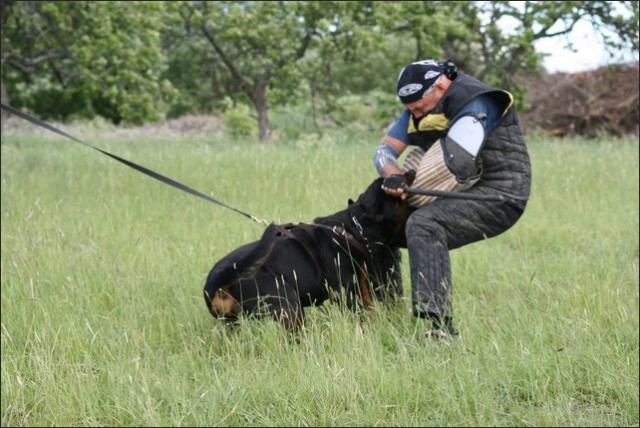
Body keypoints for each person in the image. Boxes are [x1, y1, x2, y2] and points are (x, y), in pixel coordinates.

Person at [373, 59, 531, 338]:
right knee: (382, 221)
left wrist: (410, 187)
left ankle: (441, 330)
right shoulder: (415, 106)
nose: (416, 113)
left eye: (420, 106)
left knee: (424, 224)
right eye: (410, 109)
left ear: (442, 85)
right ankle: (384, 309)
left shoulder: (478, 101)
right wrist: (393, 175)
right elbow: (384, 151)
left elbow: (459, 163)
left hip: (499, 195)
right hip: (461, 185)